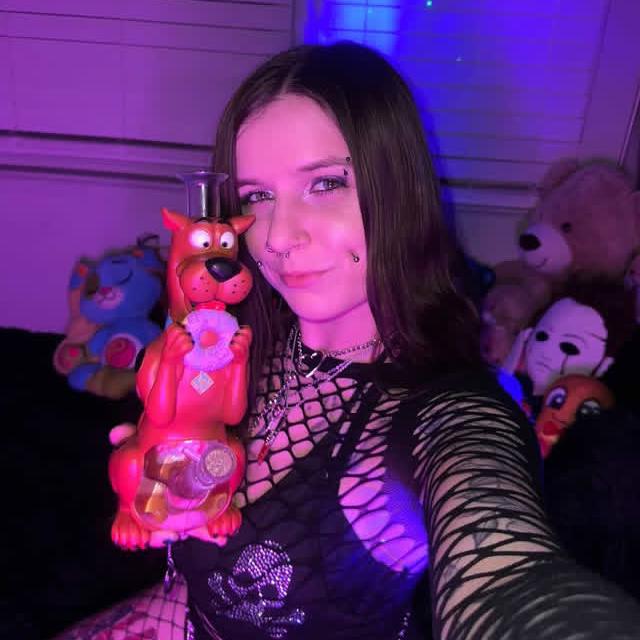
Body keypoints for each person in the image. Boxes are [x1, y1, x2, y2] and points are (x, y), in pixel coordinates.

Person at [57, 41, 640, 640]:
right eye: (258, 196)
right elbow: (197, 589)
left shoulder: (445, 409)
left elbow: (511, 574)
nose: (278, 237)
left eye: (325, 184)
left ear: (398, 188)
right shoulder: (248, 340)